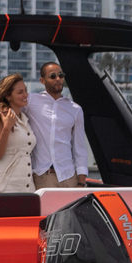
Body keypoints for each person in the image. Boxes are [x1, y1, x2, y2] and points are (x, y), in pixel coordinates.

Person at [27, 61, 90, 189]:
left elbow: (80, 148)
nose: (58, 79)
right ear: (42, 80)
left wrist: (81, 182)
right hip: (43, 177)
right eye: (53, 76)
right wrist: (4, 116)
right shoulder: (31, 101)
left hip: (69, 177)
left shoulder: (75, 109)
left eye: (61, 75)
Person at [0, 73, 35, 193]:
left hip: (27, 187)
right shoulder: (0, 119)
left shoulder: (25, 119)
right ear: (8, 96)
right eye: (20, 92)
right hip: (6, 187)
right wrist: (6, 128)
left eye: (26, 91)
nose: (25, 95)